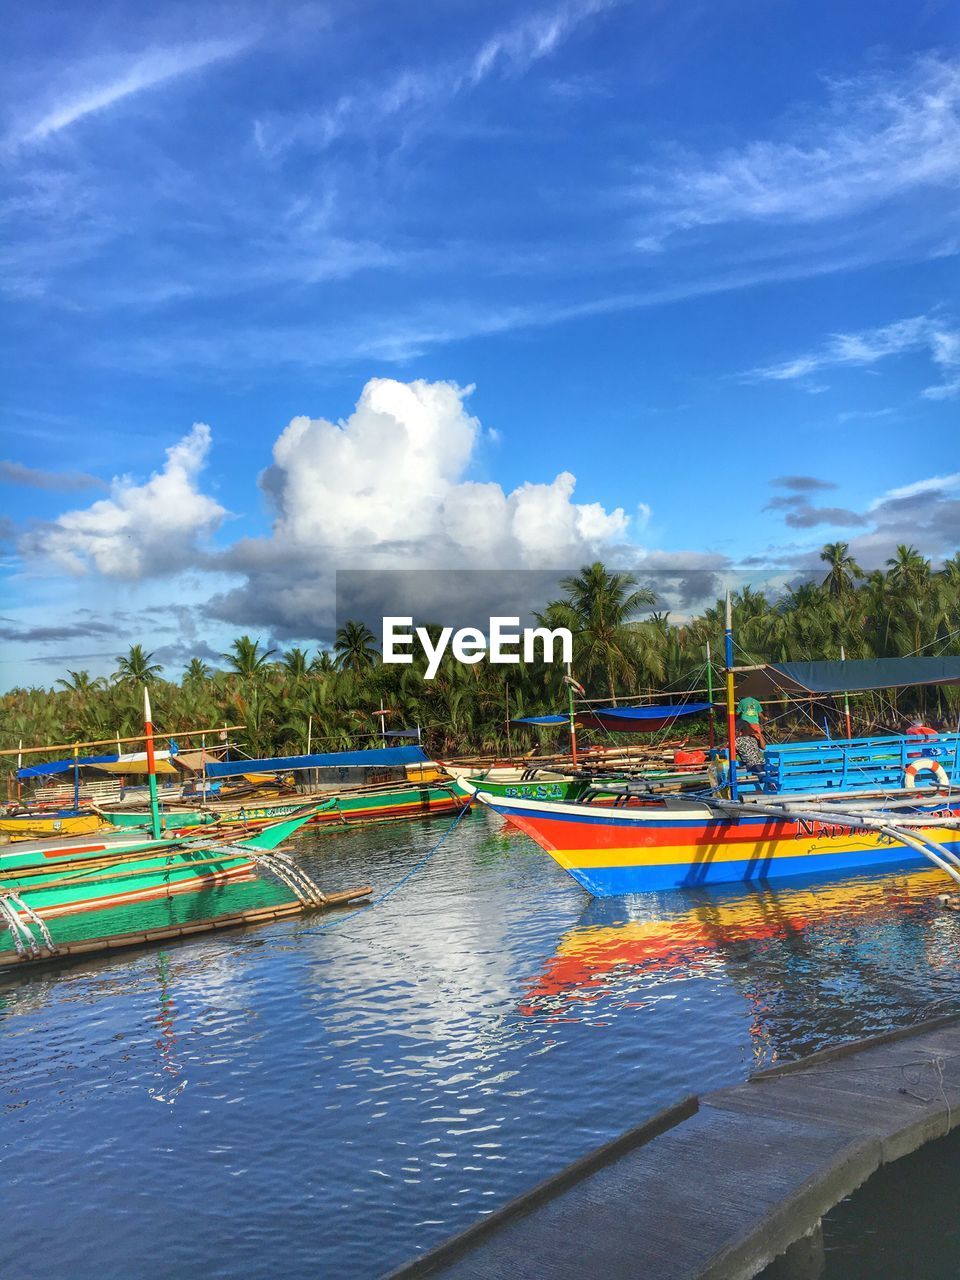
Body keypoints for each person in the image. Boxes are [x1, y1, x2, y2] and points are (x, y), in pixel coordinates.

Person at [735, 696, 766, 773]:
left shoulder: (753, 737)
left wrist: (760, 735)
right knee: (761, 771)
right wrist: (764, 718)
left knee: (765, 770)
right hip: (753, 765)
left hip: (760, 762)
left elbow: (763, 747)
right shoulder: (737, 740)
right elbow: (760, 714)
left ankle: (769, 779)